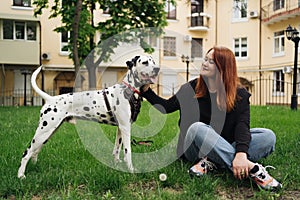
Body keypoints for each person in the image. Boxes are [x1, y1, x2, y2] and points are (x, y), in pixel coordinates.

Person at [141, 46, 282, 190]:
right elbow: (166, 107)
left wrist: (241, 153)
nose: (204, 63)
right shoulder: (191, 88)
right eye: (205, 59)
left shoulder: (239, 94)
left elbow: (242, 125)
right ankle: (252, 169)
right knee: (197, 128)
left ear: (223, 68)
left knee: (268, 136)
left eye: (211, 61)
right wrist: (146, 91)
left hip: (223, 144)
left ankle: (213, 162)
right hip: (194, 148)